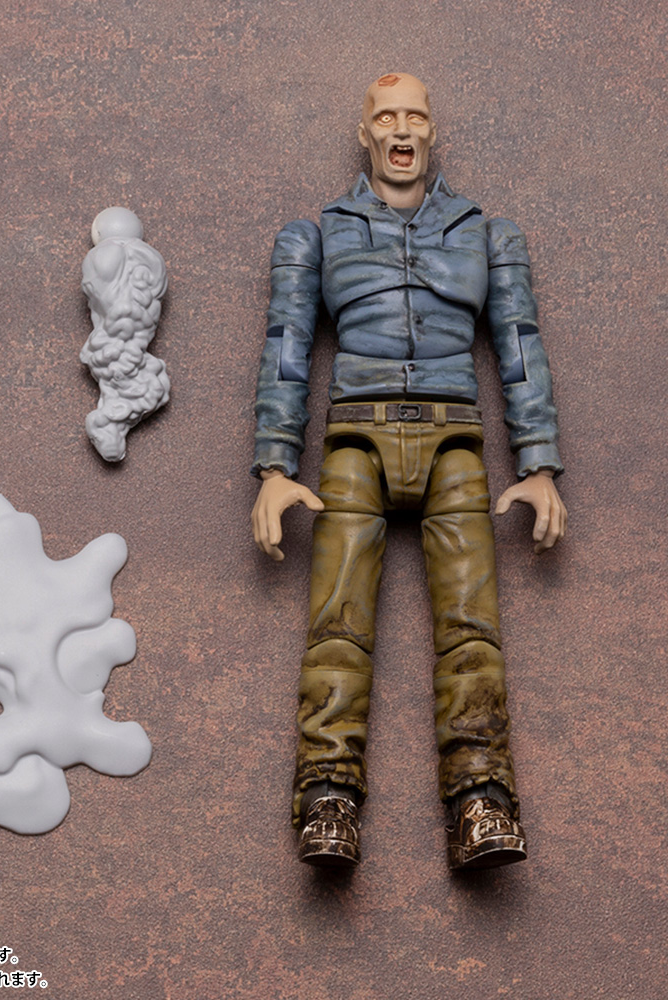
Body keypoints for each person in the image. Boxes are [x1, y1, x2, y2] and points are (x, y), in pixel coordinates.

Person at [251, 73, 566, 870]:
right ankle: (327, 796)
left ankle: (482, 799)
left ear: (432, 132)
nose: (400, 129)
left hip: (455, 437)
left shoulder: (486, 234)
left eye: (415, 116)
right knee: (336, 623)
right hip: (353, 438)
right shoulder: (316, 235)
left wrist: (538, 461)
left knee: (471, 625)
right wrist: (274, 464)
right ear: (365, 133)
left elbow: (519, 342)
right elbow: (287, 346)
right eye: (386, 116)